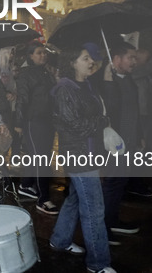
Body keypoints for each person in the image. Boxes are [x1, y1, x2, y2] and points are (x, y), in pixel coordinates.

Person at [49, 46, 114, 273]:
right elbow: (75, 125)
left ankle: (60, 240)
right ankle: (98, 263)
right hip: (79, 156)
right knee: (94, 210)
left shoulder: (84, 85)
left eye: (91, 58)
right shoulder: (65, 89)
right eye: (84, 58)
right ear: (72, 63)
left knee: (76, 199)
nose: (90, 61)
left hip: (89, 153)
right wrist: (102, 122)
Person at [100, 41, 141, 245]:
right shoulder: (108, 81)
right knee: (112, 183)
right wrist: (108, 81)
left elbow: (135, 110)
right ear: (116, 59)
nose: (134, 61)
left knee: (120, 183)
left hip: (130, 142)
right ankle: (104, 227)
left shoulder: (129, 79)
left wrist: (138, 136)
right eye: (130, 57)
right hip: (115, 145)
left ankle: (113, 220)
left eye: (135, 57)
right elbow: (109, 109)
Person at [13, 40, 59, 214]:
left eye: (44, 52)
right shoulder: (27, 74)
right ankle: (43, 199)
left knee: (38, 156)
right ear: (30, 56)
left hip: (47, 121)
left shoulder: (45, 72)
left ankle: (26, 186)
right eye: (39, 52)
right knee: (42, 160)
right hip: (34, 121)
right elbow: (22, 99)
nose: (43, 55)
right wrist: (18, 124)